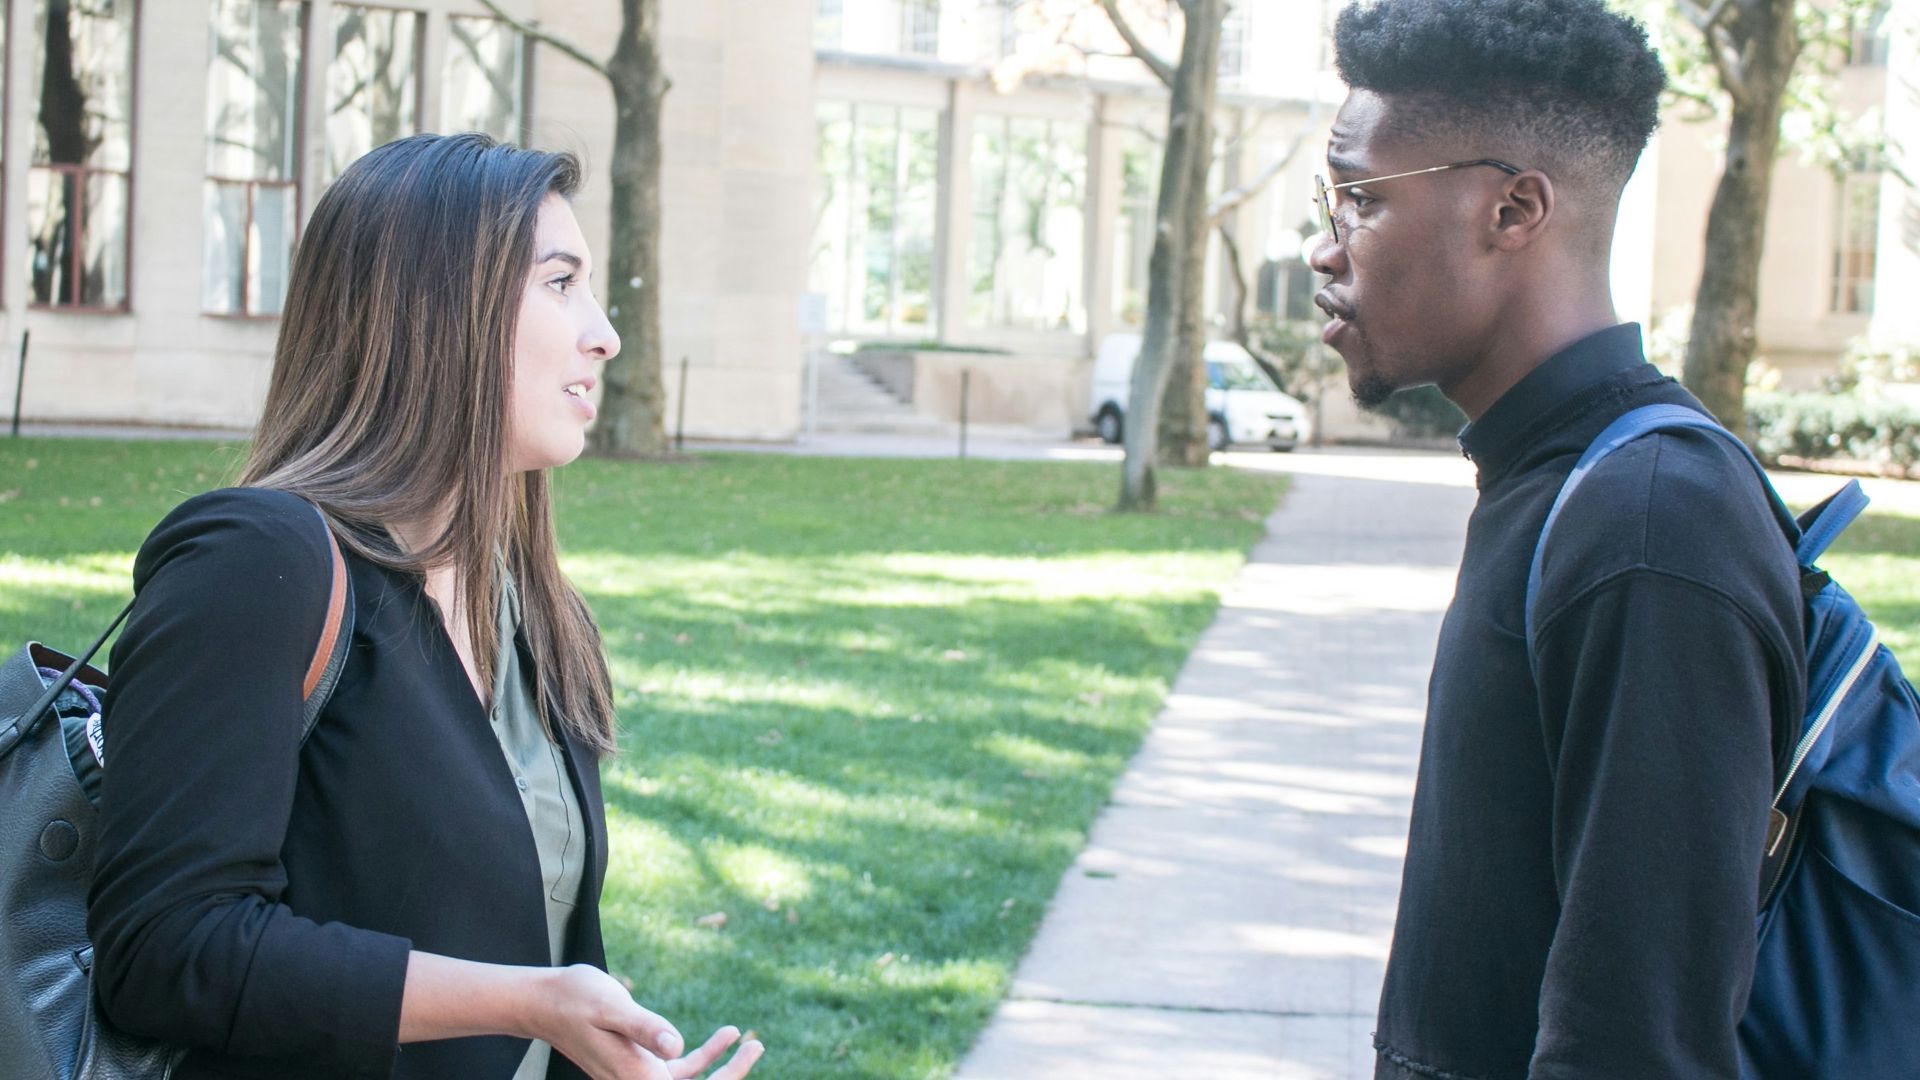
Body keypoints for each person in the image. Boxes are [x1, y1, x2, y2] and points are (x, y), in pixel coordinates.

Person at [87, 133, 764, 1080]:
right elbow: (164, 950)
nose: (604, 333)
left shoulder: (527, 605)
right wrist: (529, 1001)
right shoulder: (257, 561)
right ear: (442, 311)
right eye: (561, 284)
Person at [1308, 2, 1806, 1078]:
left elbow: (1638, 1048)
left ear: (1513, 210)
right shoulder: (1554, 479)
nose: (1324, 244)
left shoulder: (1652, 525)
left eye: (1359, 198)